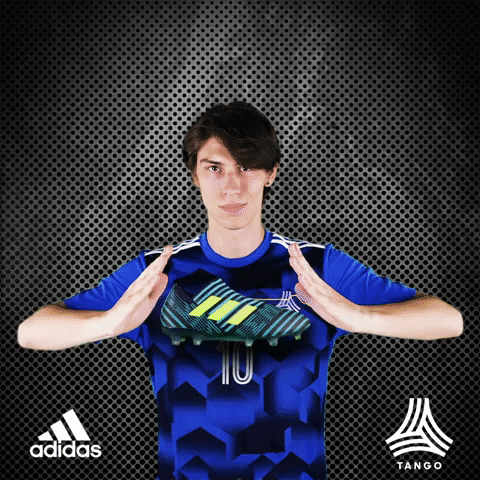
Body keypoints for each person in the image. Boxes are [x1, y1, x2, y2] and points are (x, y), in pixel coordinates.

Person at [17, 101, 463, 480]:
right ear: (195, 176)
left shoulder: (315, 267)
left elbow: (448, 320)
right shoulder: (160, 273)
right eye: (215, 168)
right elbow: (32, 332)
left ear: (271, 173)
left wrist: (359, 316)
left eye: (247, 167)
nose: (232, 186)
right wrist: (110, 322)